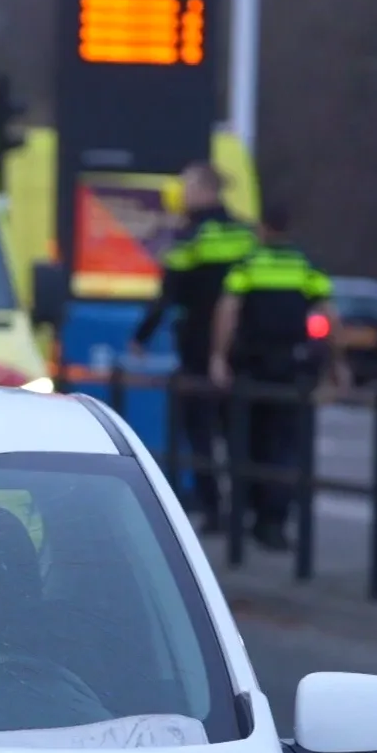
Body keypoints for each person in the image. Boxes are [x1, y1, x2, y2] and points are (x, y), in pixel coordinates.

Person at [207, 204, 348, 550]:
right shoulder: (305, 266)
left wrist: (218, 357)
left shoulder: (248, 265)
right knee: (286, 447)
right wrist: (338, 364)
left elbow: (228, 311)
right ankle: (275, 523)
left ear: (263, 229)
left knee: (248, 443)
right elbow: (330, 316)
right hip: (292, 367)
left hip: (252, 367)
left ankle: (247, 517)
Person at [127, 162, 259, 532]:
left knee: (199, 431)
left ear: (205, 190)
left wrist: (141, 337)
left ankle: (213, 510)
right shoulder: (246, 234)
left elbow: (169, 293)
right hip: (243, 349)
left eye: (187, 187)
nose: (182, 193)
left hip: (197, 347)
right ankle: (245, 512)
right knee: (238, 432)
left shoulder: (190, 238)